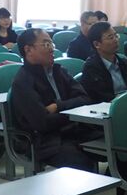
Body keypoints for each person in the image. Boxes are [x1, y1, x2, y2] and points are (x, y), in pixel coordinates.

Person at [9, 28, 96, 172]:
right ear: (28, 50)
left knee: (114, 145)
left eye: (51, 44)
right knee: (81, 162)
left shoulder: (59, 71)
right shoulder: (23, 82)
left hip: (75, 130)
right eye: (46, 44)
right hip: (48, 141)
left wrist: (58, 106)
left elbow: (85, 99)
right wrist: (73, 114)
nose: (52, 49)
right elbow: (43, 123)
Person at [80, 22, 127, 102]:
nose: (116, 40)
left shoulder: (125, 63)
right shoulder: (91, 68)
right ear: (97, 44)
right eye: (110, 37)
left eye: (116, 35)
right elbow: (100, 96)